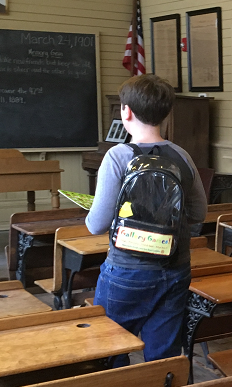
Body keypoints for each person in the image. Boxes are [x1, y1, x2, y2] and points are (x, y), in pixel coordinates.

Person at [86, 73, 207, 367]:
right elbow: (199, 214)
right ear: (166, 113)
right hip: (175, 267)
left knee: (111, 347)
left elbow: (96, 224)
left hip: (127, 271)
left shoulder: (117, 156)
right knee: (163, 355)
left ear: (125, 111)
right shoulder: (182, 156)